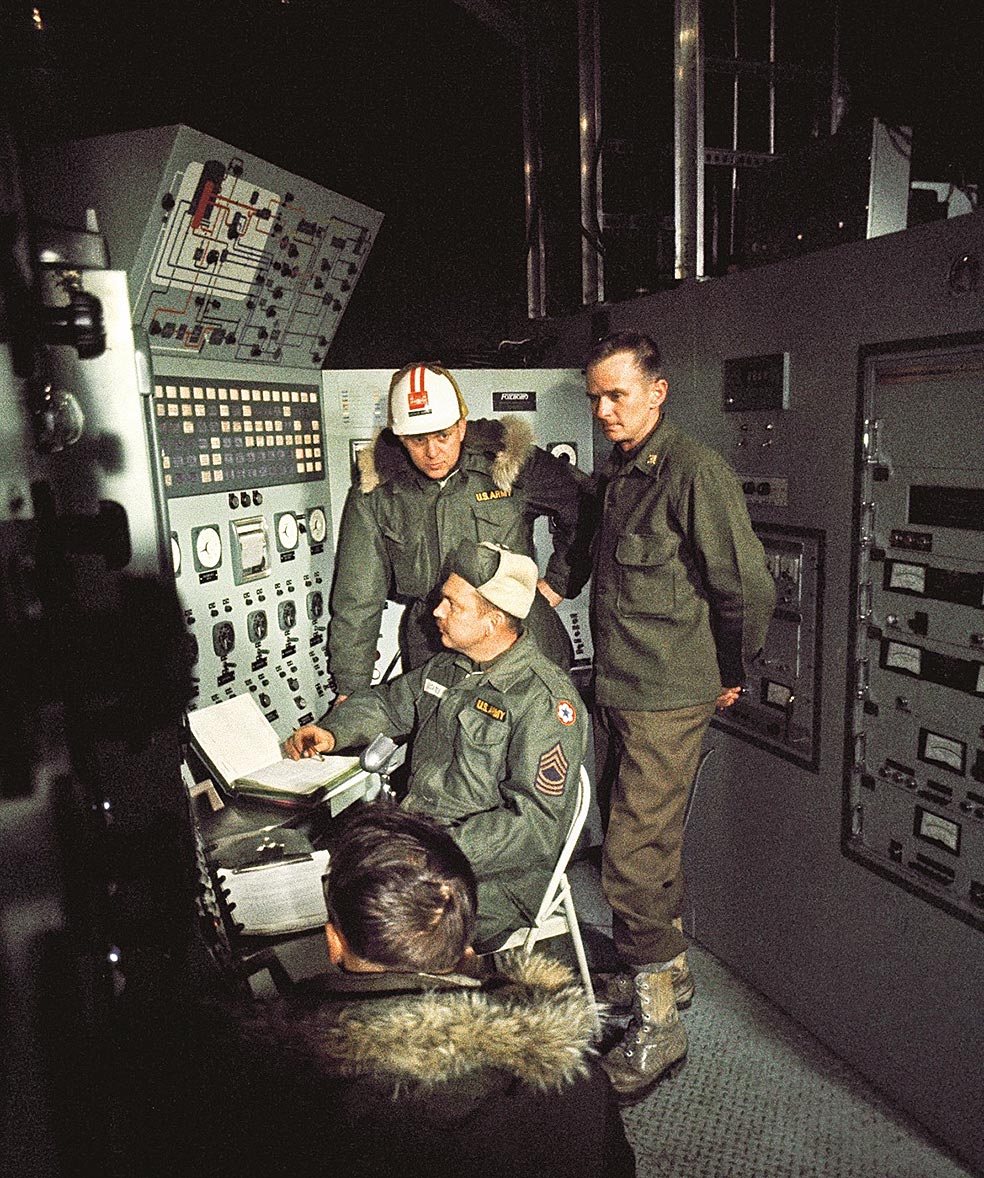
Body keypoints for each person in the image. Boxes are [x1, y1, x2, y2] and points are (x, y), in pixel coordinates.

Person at [582, 330, 776, 1101]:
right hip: (623, 688)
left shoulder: (695, 471)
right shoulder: (621, 471)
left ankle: (660, 1028)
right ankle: (663, 973)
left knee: (632, 859)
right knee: (639, 845)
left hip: (670, 694)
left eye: (616, 395)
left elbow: (749, 588)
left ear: (657, 392)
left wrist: (731, 671)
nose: (602, 410)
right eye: (594, 396)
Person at [287, 539, 587, 951]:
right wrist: (333, 731)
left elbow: (533, 826)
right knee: (318, 881)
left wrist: (432, 854)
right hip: (420, 841)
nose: (437, 612)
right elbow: (391, 705)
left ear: (493, 621)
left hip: (489, 877)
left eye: (453, 605)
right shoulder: (453, 664)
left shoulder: (545, 702)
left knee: (368, 922)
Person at [327, 361, 586, 700]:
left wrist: (559, 581)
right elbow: (357, 597)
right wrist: (351, 688)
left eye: (443, 436)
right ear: (401, 437)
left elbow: (582, 504)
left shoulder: (507, 460)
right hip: (434, 644)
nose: (432, 452)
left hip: (520, 639)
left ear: (461, 427)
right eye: (418, 440)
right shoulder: (379, 492)